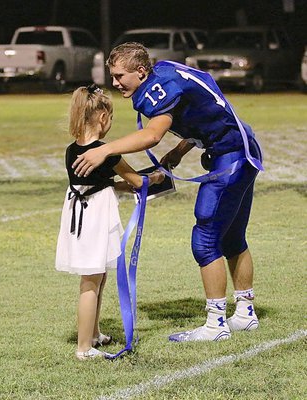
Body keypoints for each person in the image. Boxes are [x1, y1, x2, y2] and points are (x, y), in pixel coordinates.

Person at [72, 43, 263, 342]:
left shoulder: (159, 86)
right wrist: (180, 149)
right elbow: (206, 109)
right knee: (232, 236)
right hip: (242, 146)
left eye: (121, 75)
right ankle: (245, 313)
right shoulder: (168, 71)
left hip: (230, 155)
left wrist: (105, 150)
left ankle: (215, 323)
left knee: (206, 238)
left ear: (141, 71)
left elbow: (152, 135)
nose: (116, 82)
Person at [55, 83, 164, 360]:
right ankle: (83, 347)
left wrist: (122, 187)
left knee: (98, 276)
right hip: (92, 218)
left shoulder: (72, 150)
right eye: (111, 118)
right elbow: (137, 180)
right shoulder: (106, 152)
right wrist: (157, 178)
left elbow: (97, 183)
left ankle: (93, 333)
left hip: (82, 213)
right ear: (103, 117)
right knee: (90, 281)